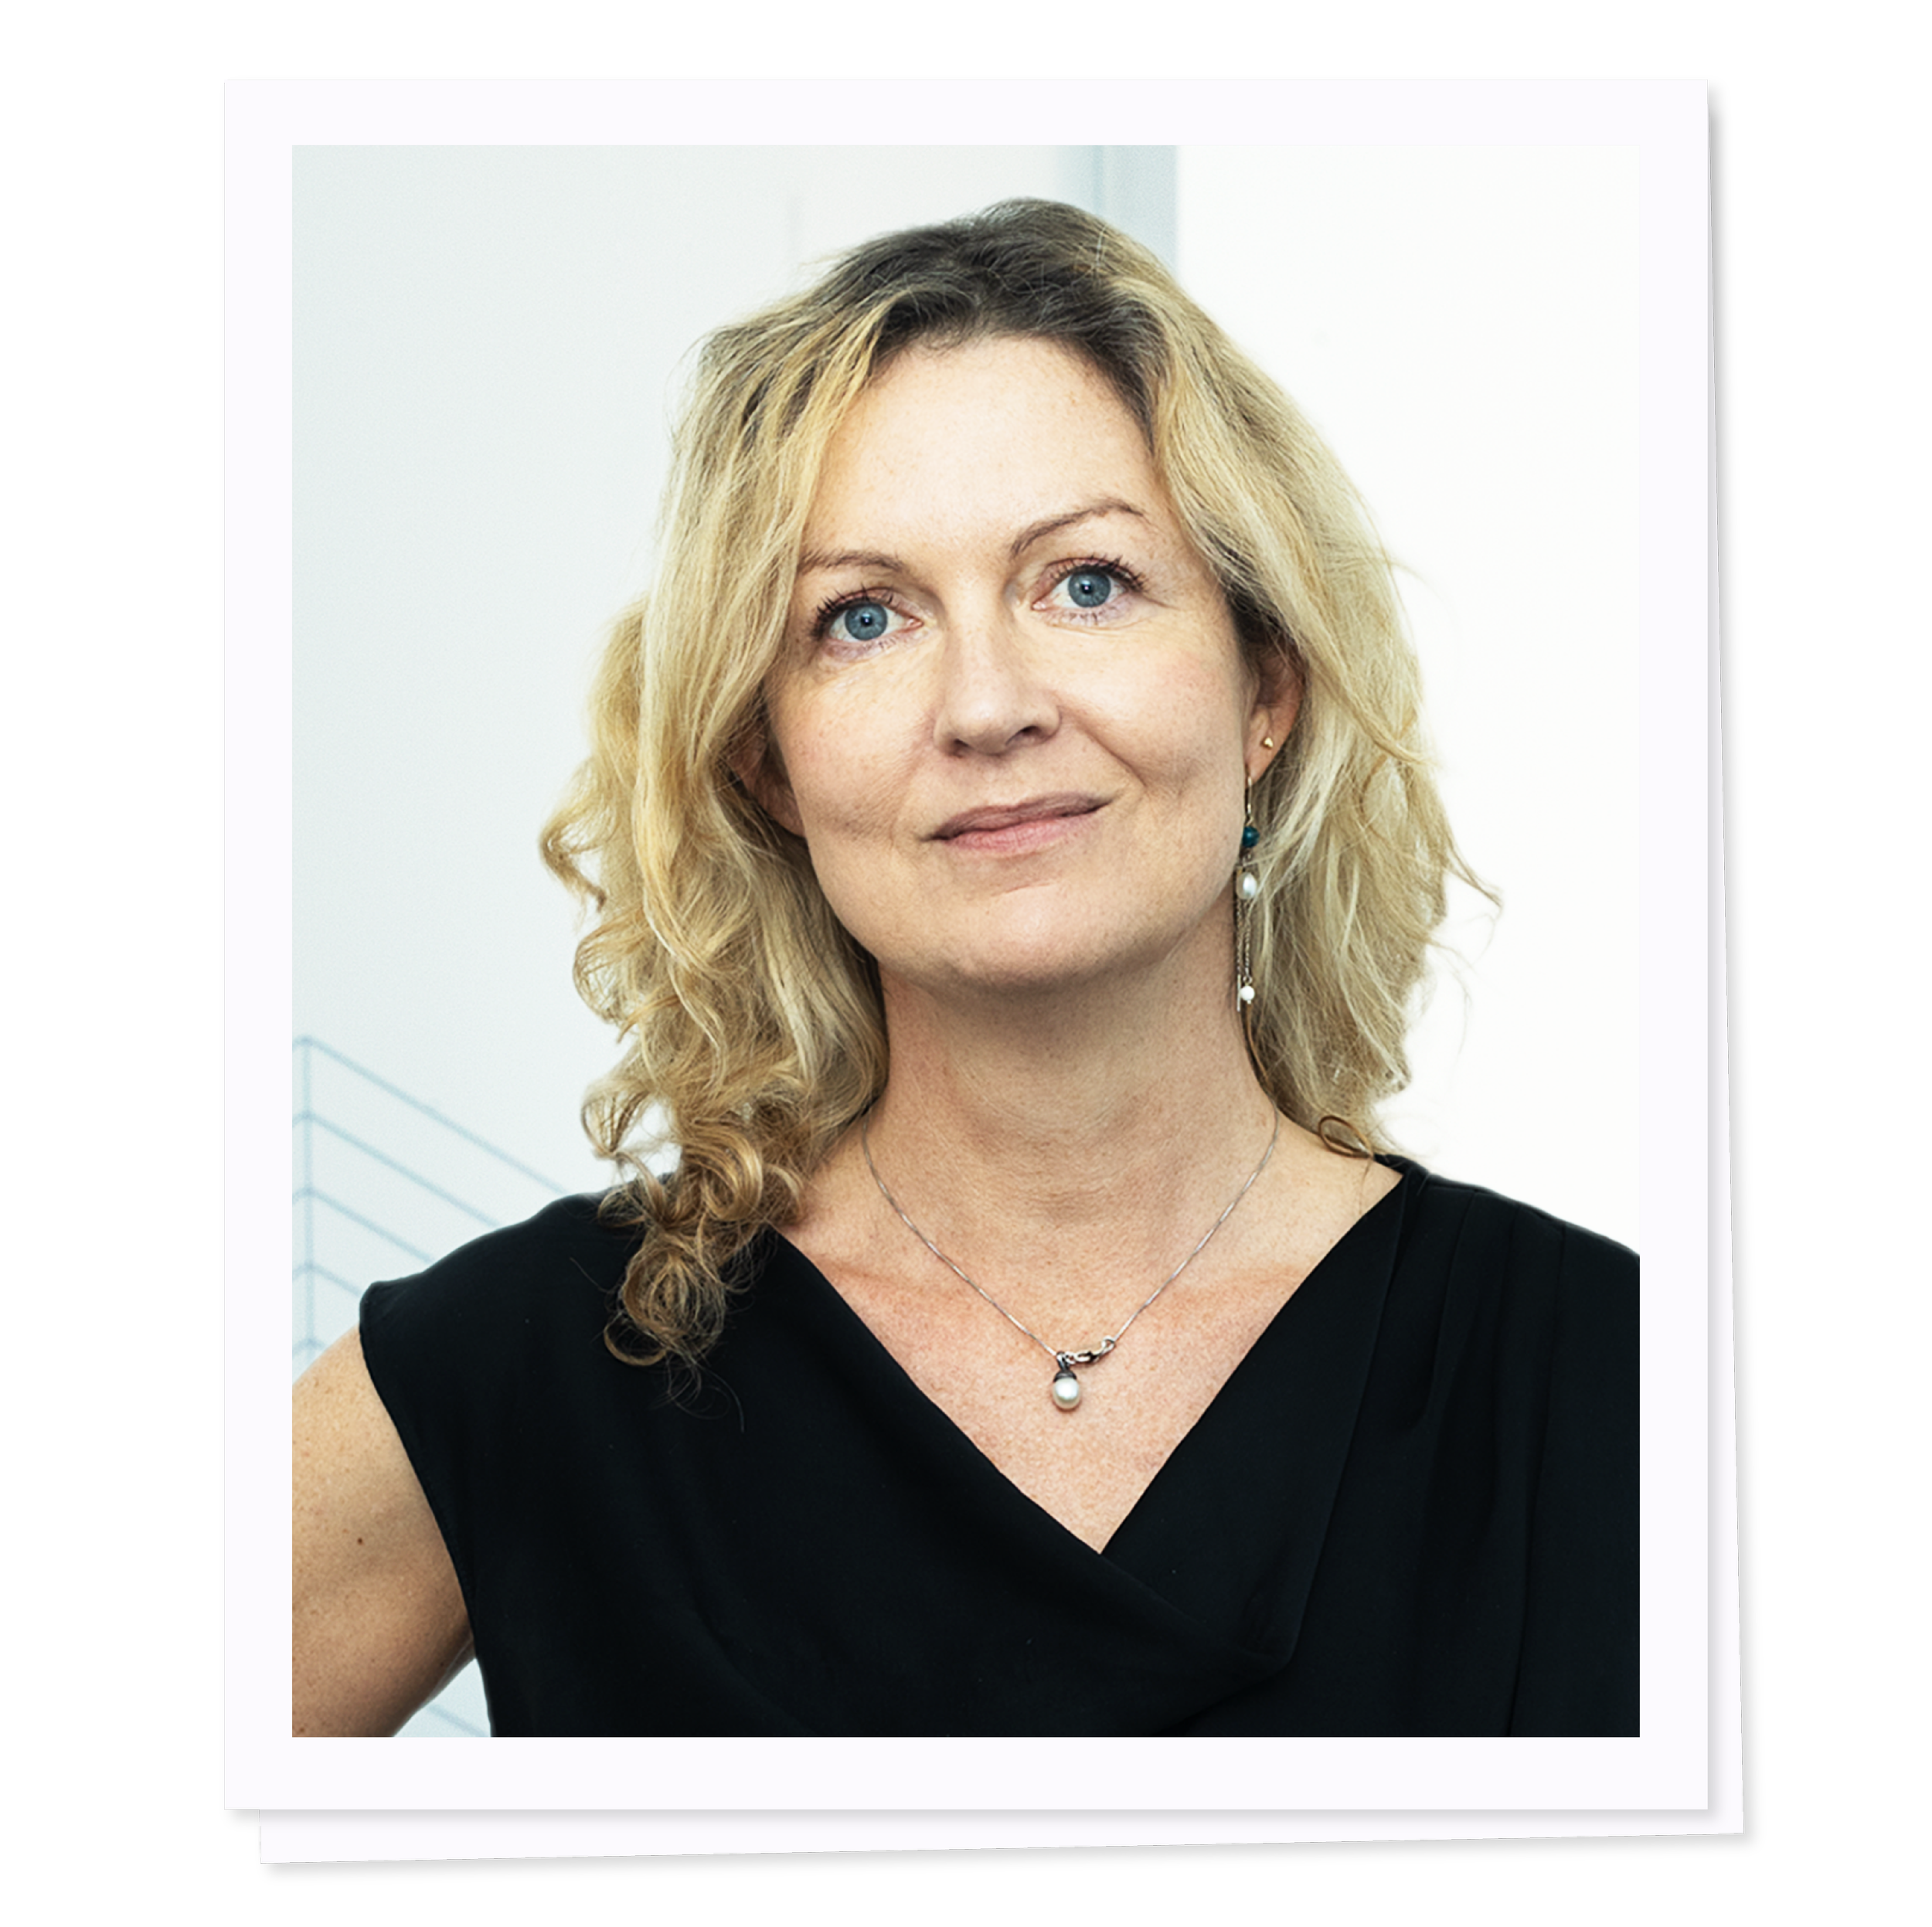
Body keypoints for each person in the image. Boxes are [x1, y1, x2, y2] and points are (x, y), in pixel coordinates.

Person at [293, 200, 1638, 1738]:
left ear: (1262, 689)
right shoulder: (524, 1373)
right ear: (767, 763)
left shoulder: (1618, 1382)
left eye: (1085, 583)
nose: (986, 702)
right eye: (862, 618)